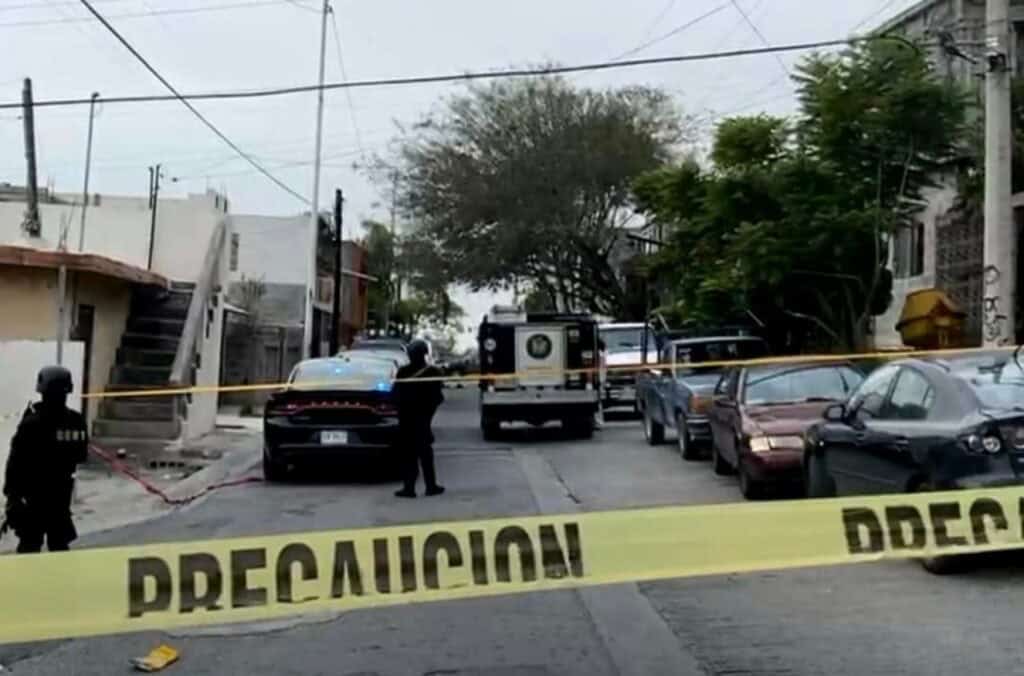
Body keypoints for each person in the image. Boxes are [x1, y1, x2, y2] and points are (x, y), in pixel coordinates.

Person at [3, 365, 88, 553]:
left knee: (29, 546)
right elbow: (81, 456)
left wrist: (11, 496)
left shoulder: (31, 423)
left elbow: (15, 462)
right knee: (59, 546)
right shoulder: (76, 421)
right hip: (60, 495)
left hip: (33, 497)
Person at [394, 339, 445, 498]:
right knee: (425, 455)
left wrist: (403, 410)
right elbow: (438, 398)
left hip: (407, 420)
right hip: (422, 420)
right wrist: (427, 414)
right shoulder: (433, 372)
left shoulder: (403, 372)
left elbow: (396, 395)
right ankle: (430, 486)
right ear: (425, 354)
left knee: (409, 456)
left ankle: (409, 488)